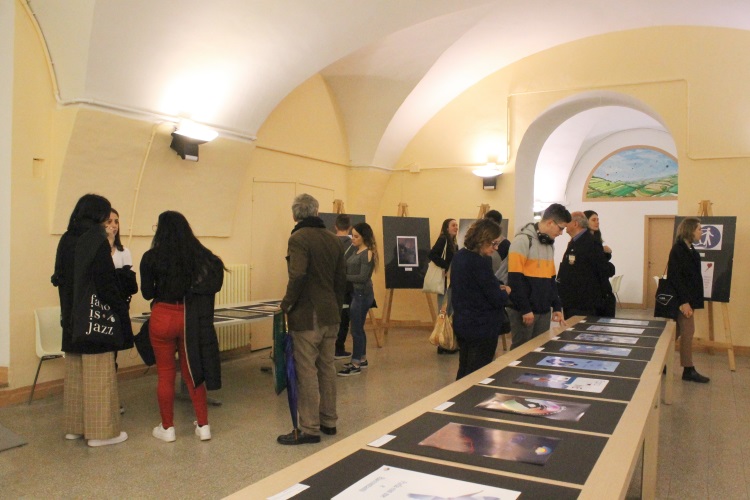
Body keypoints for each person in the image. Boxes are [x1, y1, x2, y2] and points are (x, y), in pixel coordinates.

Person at [51, 193, 131, 447]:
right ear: (97, 214)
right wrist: (119, 308)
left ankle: (75, 428)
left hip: (71, 318)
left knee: (75, 375)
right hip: (94, 319)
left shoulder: (66, 238)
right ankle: (100, 434)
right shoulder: (96, 239)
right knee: (99, 376)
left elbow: (59, 277)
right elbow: (105, 283)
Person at [140, 211, 226, 442]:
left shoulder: (151, 257)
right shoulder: (199, 255)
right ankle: (204, 426)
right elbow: (215, 277)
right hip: (190, 318)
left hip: (162, 317)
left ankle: (167, 428)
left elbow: (147, 293)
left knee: (165, 373)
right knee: (192, 372)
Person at [278, 194, 347, 445]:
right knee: (327, 367)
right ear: (317, 213)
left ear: (294, 215)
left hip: (309, 315)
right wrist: (335, 307)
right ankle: (329, 421)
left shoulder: (298, 238)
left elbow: (297, 275)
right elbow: (341, 279)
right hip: (331, 313)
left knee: (306, 370)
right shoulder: (333, 239)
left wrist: (286, 304)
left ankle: (309, 428)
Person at [450, 219, 510, 379]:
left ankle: (458, 395)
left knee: (465, 368)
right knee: (477, 374)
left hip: (463, 323)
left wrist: (496, 286)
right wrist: (506, 292)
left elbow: (476, 286)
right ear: (482, 240)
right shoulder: (480, 262)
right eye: (493, 243)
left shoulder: (460, 256)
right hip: (481, 327)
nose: (495, 248)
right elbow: (496, 298)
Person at [507, 203, 571, 350]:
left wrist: (556, 306)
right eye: (561, 228)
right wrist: (525, 309)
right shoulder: (522, 241)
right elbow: (514, 279)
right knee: (521, 352)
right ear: (550, 222)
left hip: (543, 310)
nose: (561, 233)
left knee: (539, 351)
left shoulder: (549, 244)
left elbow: (551, 279)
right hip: (524, 310)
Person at [667, 217, 710, 383]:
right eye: (699, 229)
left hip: (689, 298)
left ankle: (662, 361)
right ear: (690, 230)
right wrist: (684, 302)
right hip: (682, 300)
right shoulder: (678, 250)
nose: (701, 232)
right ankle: (688, 369)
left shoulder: (690, 249)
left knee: (676, 333)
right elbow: (676, 277)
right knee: (688, 331)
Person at [557, 212, 615, 320]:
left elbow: (601, 270)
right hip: (573, 300)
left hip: (584, 303)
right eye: (594, 219)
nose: (565, 225)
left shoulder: (590, 242)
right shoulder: (575, 242)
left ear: (575, 224)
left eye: (568, 222)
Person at [338, 222, 378, 376]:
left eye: (356, 236)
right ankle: (362, 358)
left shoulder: (368, 253)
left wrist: (343, 277)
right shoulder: (355, 250)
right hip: (355, 293)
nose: (353, 239)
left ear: (364, 237)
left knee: (356, 330)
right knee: (358, 328)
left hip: (361, 294)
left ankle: (355, 364)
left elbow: (362, 277)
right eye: (352, 236)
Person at [428, 218, 458, 354]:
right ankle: (442, 344)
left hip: (451, 282)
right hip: (444, 282)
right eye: (453, 225)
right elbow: (432, 254)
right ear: (446, 228)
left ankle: (447, 342)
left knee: (449, 312)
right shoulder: (443, 240)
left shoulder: (453, 242)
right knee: (443, 312)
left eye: (457, 225)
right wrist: (445, 267)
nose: (456, 227)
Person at [583, 210, 616, 316]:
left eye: (598, 220)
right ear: (585, 222)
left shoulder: (597, 242)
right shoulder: (585, 243)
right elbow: (601, 267)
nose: (597, 222)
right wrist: (610, 266)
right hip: (592, 292)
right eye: (593, 220)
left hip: (603, 290)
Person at [333, 214, 356, 359]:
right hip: (347, 285)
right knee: (344, 318)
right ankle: (339, 348)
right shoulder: (353, 245)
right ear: (350, 227)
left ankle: (328, 348)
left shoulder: (329, 241)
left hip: (329, 285)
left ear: (335, 226)